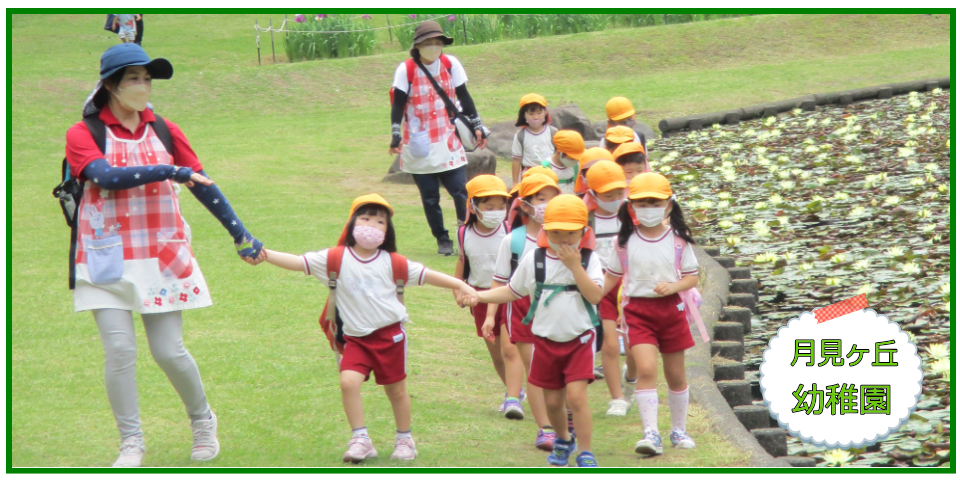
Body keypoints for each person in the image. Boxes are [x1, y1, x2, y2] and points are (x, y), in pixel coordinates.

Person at [65, 43, 263, 467]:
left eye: (147, 78)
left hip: (161, 258)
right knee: (120, 352)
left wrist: (240, 234)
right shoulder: (83, 133)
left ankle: (203, 421)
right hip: (105, 259)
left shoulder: (167, 130)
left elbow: (203, 185)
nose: (143, 86)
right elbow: (105, 177)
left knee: (169, 351)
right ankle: (131, 442)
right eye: (134, 78)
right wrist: (170, 170)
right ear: (111, 85)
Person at [253, 194, 478, 463]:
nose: (372, 225)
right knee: (348, 382)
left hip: (390, 337)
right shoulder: (334, 259)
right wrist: (264, 254)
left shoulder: (394, 262)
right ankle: (361, 439)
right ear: (352, 224)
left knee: (396, 391)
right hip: (356, 339)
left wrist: (461, 285)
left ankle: (404, 439)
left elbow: (428, 275)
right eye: (366, 218)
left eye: (380, 221)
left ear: (387, 230)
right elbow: (298, 262)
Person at [467, 194, 605, 467]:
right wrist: (479, 296)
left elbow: (595, 295)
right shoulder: (534, 259)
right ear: (545, 231)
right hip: (545, 341)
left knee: (576, 397)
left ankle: (585, 451)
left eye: (571, 233)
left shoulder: (589, 260)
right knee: (552, 401)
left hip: (580, 339)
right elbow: (512, 290)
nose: (563, 239)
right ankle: (563, 439)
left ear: (584, 232)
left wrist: (575, 267)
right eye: (556, 233)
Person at [603, 172, 700, 455]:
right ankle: (650, 434)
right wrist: (591, 294)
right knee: (645, 369)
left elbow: (691, 277)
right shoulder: (623, 242)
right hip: (638, 312)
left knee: (676, 375)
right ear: (631, 206)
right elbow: (610, 278)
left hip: (672, 311)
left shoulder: (679, 241)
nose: (648, 209)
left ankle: (679, 430)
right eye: (642, 203)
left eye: (654, 203)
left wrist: (673, 286)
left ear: (668, 204)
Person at [388, 20, 488, 256]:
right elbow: (398, 104)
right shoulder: (406, 70)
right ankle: (442, 239)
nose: (433, 47)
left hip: (447, 139)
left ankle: (465, 234)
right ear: (418, 46)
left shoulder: (451, 64)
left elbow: (464, 96)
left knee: (460, 191)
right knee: (430, 197)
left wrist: (477, 125)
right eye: (428, 43)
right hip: (419, 142)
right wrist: (395, 134)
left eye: (437, 42)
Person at [484, 173, 560, 449]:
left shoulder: (567, 235)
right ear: (525, 205)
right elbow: (501, 280)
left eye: (552, 197)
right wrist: (490, 315)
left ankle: (563, 419)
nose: (547, 204)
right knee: (535, 369)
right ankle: (545, 428)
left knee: (558, 368)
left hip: (559, 309)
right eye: (541, 198)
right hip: (522, 308)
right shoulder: (513, 240)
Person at [455, 175, 523, 414]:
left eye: (501, 206)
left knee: (510, 349)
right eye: (489, 207)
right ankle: (515, 391)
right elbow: (462, 261)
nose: (497, 212)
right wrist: (458, 289)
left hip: (509, 296)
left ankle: (512, 398)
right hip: (480, 299)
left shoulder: (509, 232)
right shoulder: (463, 233)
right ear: (473, 207)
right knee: (496, 354)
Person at [584, 161, 637, 417]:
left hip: (631, 286)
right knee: (610, 344)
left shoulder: (631, 214)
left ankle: (631, 378)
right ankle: (617, 398)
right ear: (592, 194)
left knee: (634, 345)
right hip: (603, 287)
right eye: (608, 195)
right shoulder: (586, 220)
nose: (616, 199)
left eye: (619, 192)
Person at [511, 94, 556, 186]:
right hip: (529, 175)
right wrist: (515, 182)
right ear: (524, 115)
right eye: (531, 114)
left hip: (549, 173)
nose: (535, 117)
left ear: (545, 113)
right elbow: (516, 160)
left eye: (539, 113)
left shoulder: (553, 132)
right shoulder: (520, 136)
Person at [545, 130, 584, 195]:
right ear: (559, 153)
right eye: (572, 158)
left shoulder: (576, 166)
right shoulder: (546, 168)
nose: (575, 160)